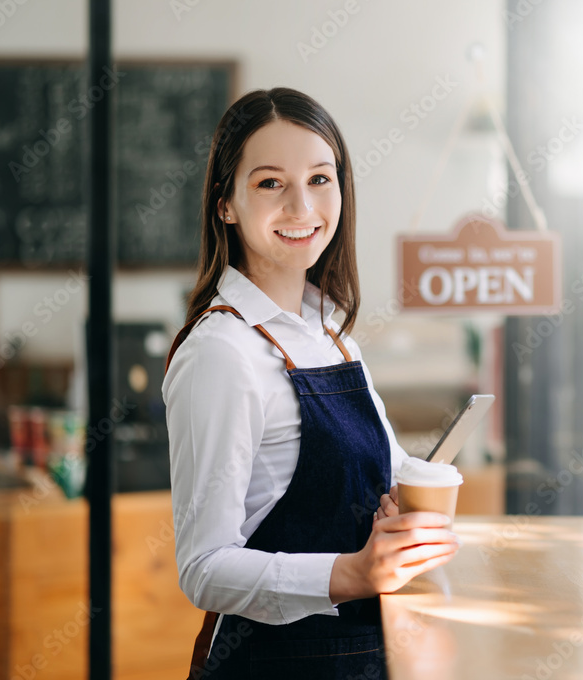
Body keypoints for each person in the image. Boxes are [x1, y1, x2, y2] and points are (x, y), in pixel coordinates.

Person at [163, 87, 460, 679]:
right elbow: (203, 569)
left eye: (320, 179)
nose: (302, 206)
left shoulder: (331, 329)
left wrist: (396, 511)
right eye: (270, 183)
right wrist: (353, 572)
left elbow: (385, 471)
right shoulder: (222, 352)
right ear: (226, 205)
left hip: (367, 654)